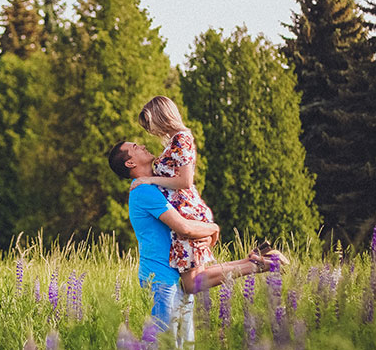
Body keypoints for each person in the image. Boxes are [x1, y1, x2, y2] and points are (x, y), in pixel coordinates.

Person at [107, 140, 279, 339]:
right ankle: (258, 265)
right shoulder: (144, 191)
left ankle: (257, 263)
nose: (142, 145)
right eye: (135, 147)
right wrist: (213, 229)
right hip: (161, 280)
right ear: (130, 163)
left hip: (174, 277)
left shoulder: (154, 185)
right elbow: (184, 227)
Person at [135, 96, 216, 285]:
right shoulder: (174, 140)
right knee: (193, 281)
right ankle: (254, 261)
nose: (149, 130)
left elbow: (185, 181)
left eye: (149, 123)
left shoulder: (181, 139)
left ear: (160, 116)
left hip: (187, 211)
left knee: (193, 282)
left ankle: (253, 263)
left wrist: (149, 179)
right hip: (181, 211)